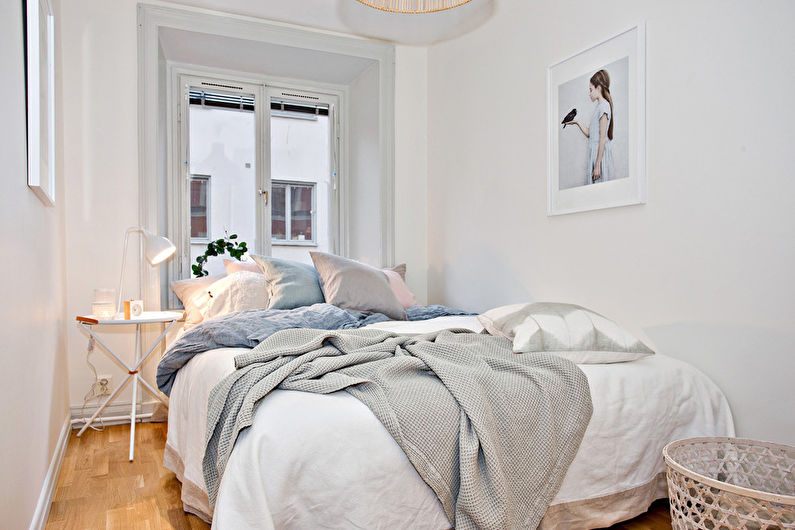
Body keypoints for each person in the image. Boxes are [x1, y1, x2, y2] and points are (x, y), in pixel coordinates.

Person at [565, 69, 614, 184]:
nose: (589, 93)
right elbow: (590, 134)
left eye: (591, 90)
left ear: (599, 88)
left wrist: (597, 165)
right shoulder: (599, 107)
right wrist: (577, 122)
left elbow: (602, 139)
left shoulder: (603, 107)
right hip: (595, 154)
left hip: (599, 157)